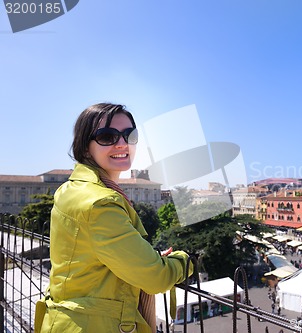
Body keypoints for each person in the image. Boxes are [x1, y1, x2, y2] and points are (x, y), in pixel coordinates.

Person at [34, 103, 193, 333]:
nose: (122, 143)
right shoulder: (101, 203)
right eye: (107, 136)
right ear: (85, 148)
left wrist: (141, 255)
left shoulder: (71, 189)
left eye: (130, 135)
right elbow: (155, 278)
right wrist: (183, 262)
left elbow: (98, 256)